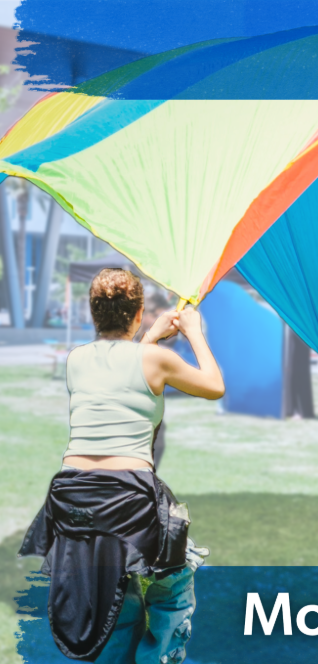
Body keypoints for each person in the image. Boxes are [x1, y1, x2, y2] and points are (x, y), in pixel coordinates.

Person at [19, 268, 225, 663]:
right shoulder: (157, 360)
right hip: (127, 498)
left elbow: (124, 368)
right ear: (138, 314)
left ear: (92, 314)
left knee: (112, 593)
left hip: (71, 499)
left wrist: (149, 337)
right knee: (173, 586)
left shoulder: (75, 360)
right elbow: (213, 385)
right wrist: (193, 331)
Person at [137, 291, 174, 470]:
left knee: (156, 444)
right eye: (157, 316)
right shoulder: (129, 337)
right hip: (133, 414)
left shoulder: (156, 338)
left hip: (151, 411)